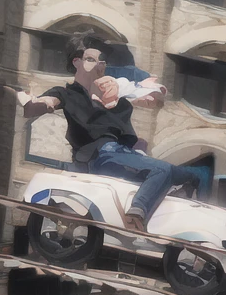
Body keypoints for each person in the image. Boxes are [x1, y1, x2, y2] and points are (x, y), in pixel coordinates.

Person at [18, 33, 210, 234]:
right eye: (91, 59)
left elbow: (155, 96)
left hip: (124, 154)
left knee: (194, 174)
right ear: (77, 62)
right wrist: (36, 103)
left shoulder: (115, 86)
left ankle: (198, 211)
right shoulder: (67, 93)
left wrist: (135, 91)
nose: (99, 65)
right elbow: (47, 102)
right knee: (162, 170)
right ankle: (137, 213)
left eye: (101, 61)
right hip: (100, 156)